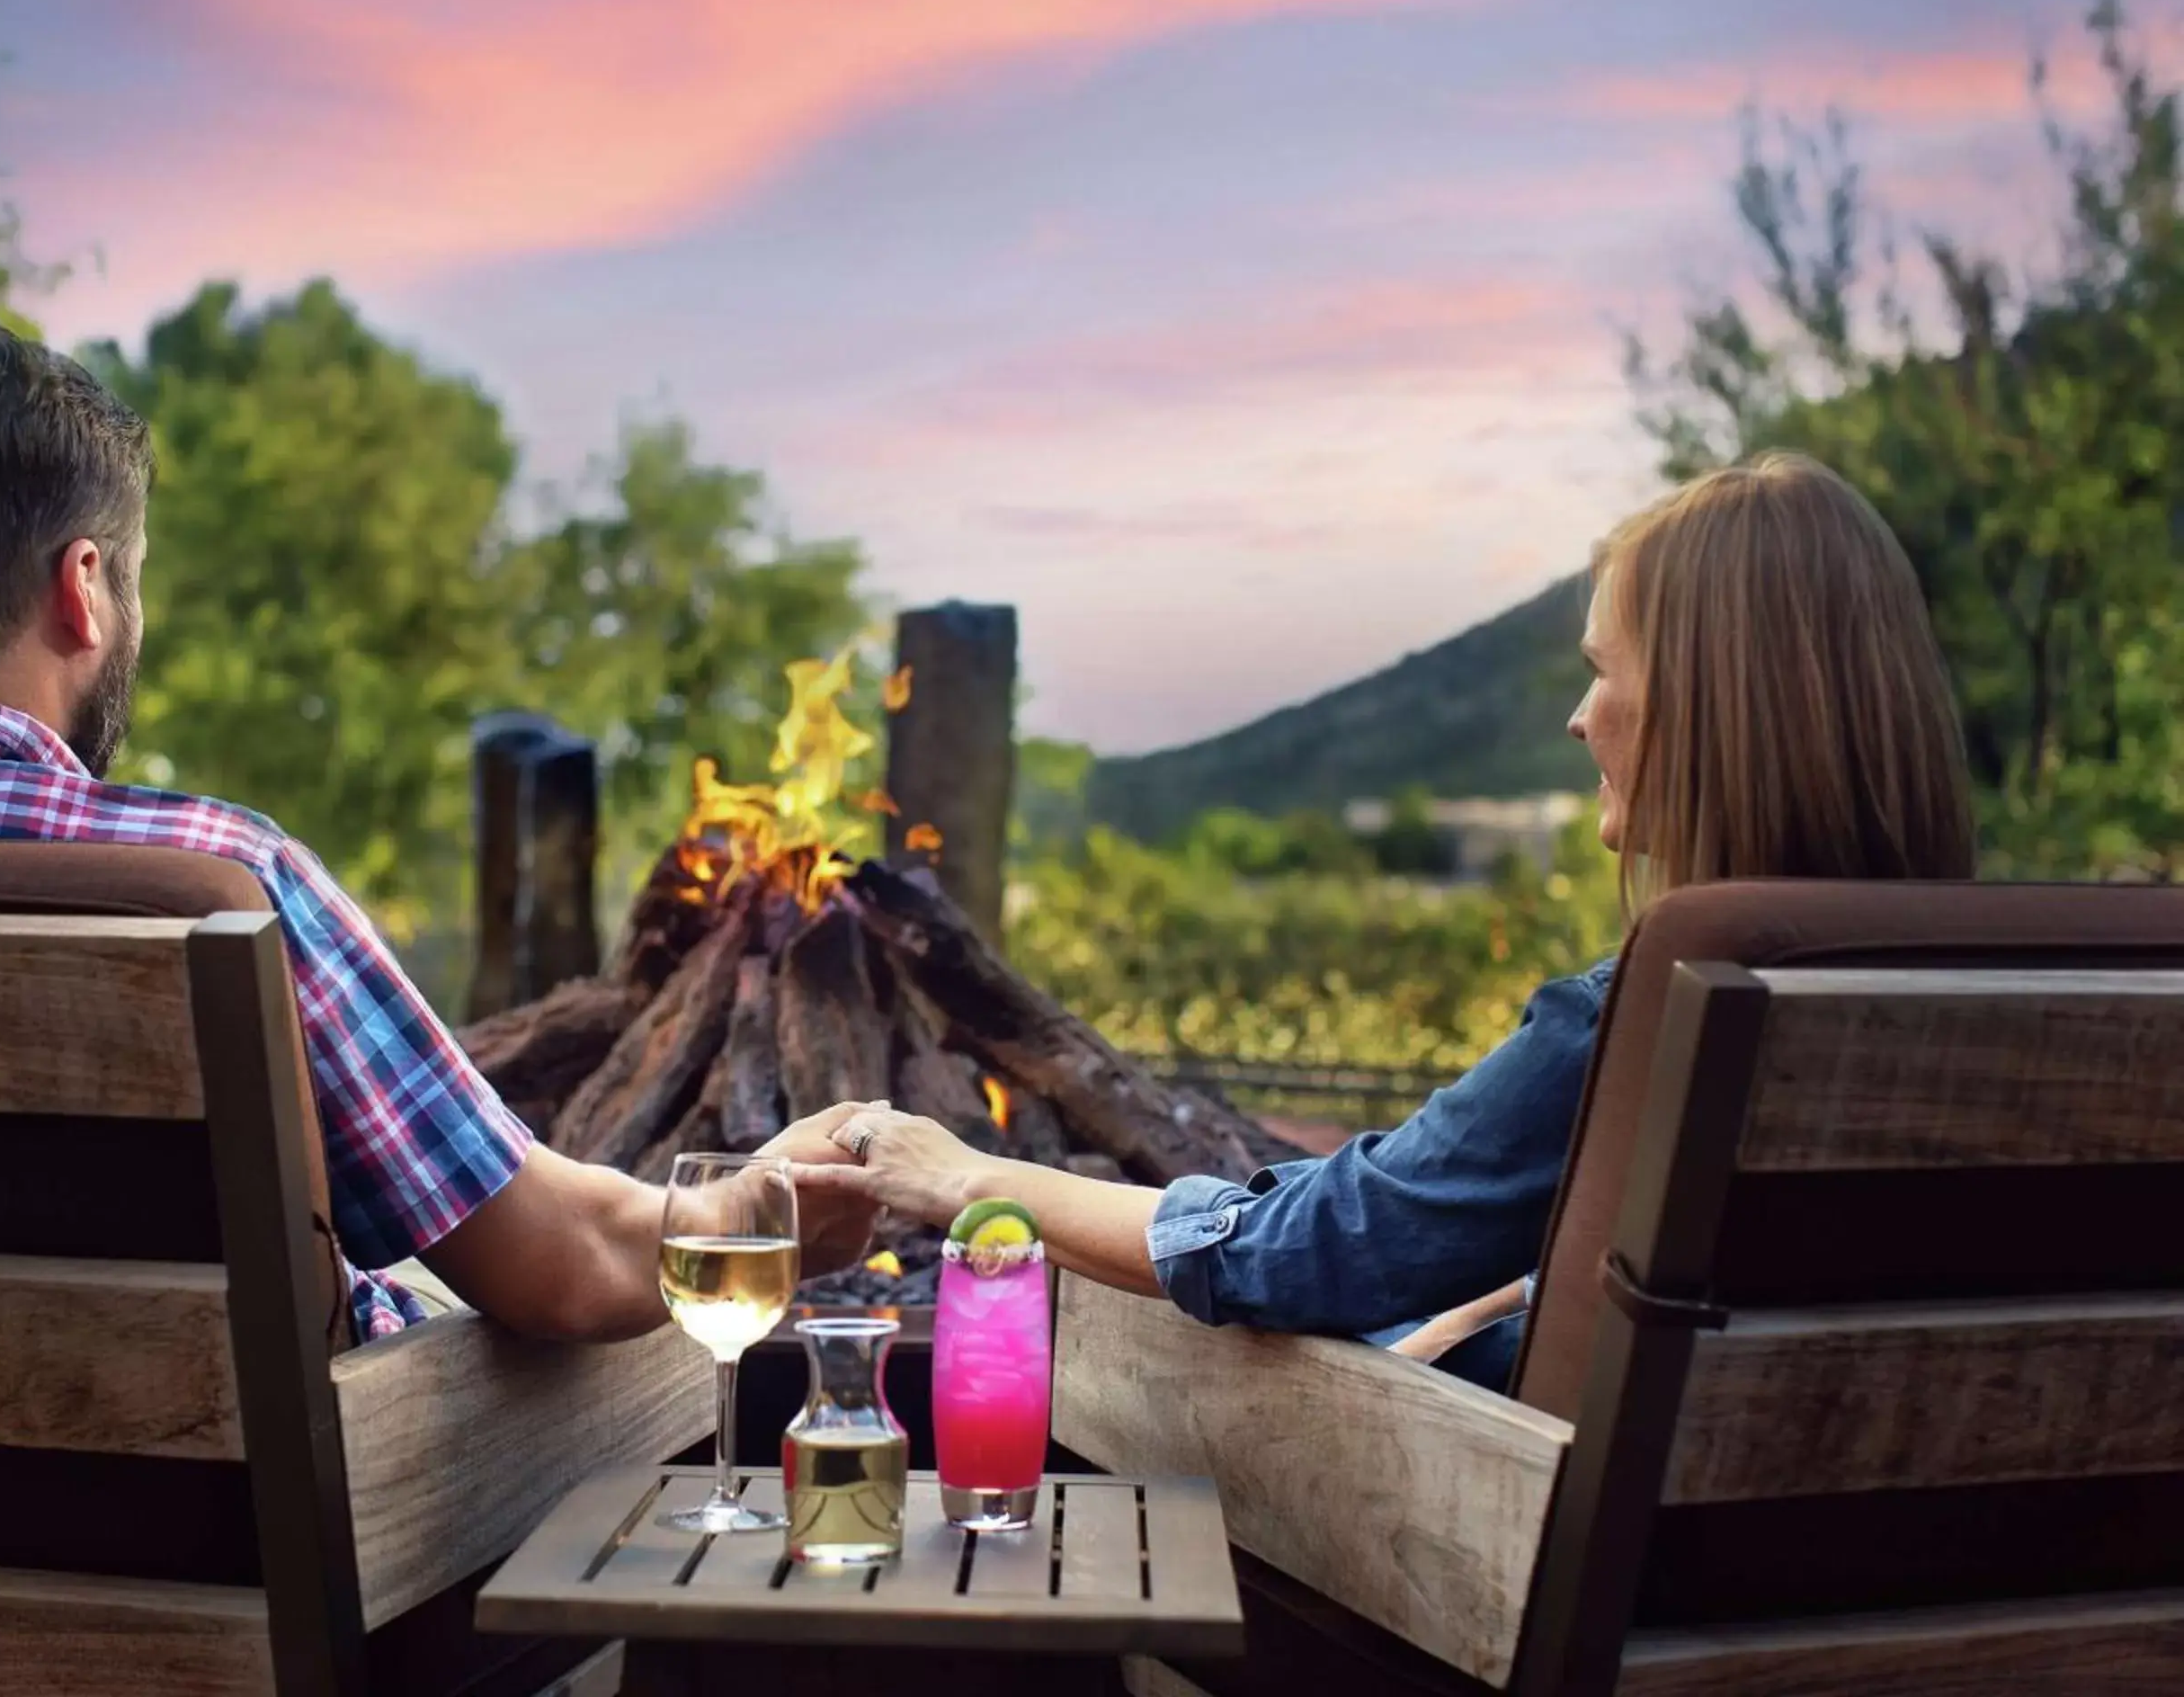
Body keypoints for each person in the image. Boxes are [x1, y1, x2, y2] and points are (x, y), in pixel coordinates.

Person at [0, 322, 870, 1344]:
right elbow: (565, 1272)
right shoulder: (212, 887)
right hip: (199, 1598)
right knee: (629, 1390)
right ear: (81, 589)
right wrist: (765, 1206)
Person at [798, 453, 1977, 1389]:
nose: (1579, 719)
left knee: (1149, 1354)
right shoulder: (2016, 1018)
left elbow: (1299, 1255)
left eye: (1602, 671)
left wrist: (967, 1178)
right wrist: (1504, 1307)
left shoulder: (1639, 1028)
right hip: (1899, 1607)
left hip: (1577, 1619)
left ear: (1709, 708)